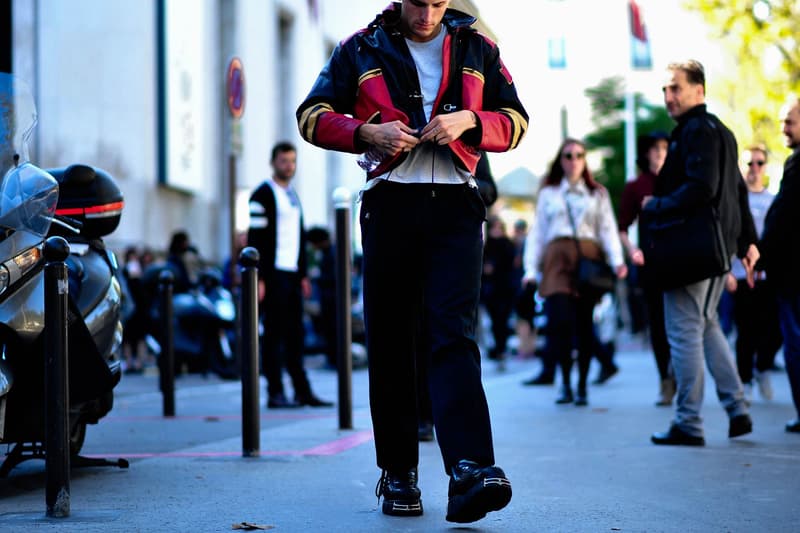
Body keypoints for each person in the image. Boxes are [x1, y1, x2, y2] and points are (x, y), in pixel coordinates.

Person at [296, 0, 527, 523]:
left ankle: (470, 468)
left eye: (438, 3)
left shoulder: (479, 47)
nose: (427, 13)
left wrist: (470, 120)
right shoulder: (359, 46)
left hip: (456, 204)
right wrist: (365, 132)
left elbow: (515, 122)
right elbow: (311, 116)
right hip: (390, 202)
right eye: (419, 2)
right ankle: (398, 472)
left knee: (454, 334)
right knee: (391, 338)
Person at [642, 60, 758, 446]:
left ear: (699, 90)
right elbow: (738, 193)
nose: (668, 96)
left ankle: (689, 422)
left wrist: (653, 206)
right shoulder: (721, 131)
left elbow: (702, 188)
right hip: (715, 251)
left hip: (692, 251)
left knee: (683, 332)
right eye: (665, 90)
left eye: (676, 88)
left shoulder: (694, 131)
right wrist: (746, 244)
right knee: (707, 327)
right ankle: (737, 407)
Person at [521, 138, 627, 406]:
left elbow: (607, 229)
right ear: (561, 160)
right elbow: (538, 233)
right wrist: (530, 269)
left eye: (580, 155)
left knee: (584, 325)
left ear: (585, 159)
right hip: (556, 260)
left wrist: (617, 261)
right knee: (560, 324)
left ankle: (581, 387)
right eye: (568, 155)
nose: (574, 160)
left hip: (588, 259)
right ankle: (565, 384)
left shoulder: (597, 193)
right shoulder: (549, 193)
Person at [247, 142, 332, 409]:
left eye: (292, 161)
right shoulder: (262, 194)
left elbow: (299, 237)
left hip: (293, 276)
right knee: (273, 335)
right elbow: (255, 237)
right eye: (284, 161)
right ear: (273, 162)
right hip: (272, 275)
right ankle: (275, 392)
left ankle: (302, 390)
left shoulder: (292, 194)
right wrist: (257, 277)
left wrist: (303, 274)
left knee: (296, 335)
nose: (289, 166)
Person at [618, 131, 675, 406]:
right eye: (654, 148)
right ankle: (665, 378)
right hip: (651, 264)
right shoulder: (636, 186)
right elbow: (622, 227)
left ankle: (682, 377)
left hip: (680, 262)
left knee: (681, 322)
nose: (659, 153)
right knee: (658, 323)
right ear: (646, 153)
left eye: (664, 147)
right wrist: (633, 251)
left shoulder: (680, 181)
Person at [757, 97, 800, 433]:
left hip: (792, 272)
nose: (783, 128)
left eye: (789, 121)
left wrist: (762, 254)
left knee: (795, 342)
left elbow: (782, 218)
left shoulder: (796, 165)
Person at [728, 145, 782, 403]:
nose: (754, 169)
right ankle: (745, 380)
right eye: (749, 163)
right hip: (740, 275)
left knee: (773, 330)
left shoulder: (773, 200)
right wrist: (727, 270)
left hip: (768, 276)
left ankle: (762, 367)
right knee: (745, 331)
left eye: (759, 163)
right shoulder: (736, 202)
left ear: (766, 167)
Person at [481, 216, 517, 364]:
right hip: (491, 290)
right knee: (495, 321)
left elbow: (510, 262)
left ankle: (501, 348)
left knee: (502, 319)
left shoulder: (507, 244)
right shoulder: (487, 245)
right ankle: (498, 348)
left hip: (505, 289)